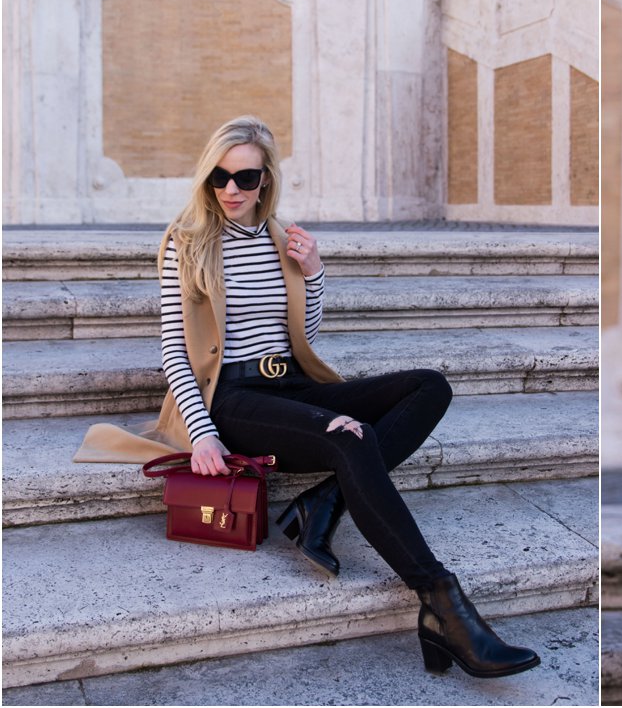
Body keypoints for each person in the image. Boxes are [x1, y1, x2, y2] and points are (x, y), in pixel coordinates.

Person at [75, 116, 540, 680]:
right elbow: (176, 351)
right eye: (219, 177)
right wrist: (203, 433)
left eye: (245, 178)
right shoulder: (187, 242)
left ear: (266, 179)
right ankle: (441, 602)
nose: (231, 191)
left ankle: (325, 502)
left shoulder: (282, 237)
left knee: (429, 386)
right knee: (353, 438)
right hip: (233, 397)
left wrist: (313, 273)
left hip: (293, 383)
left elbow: (302, 335)